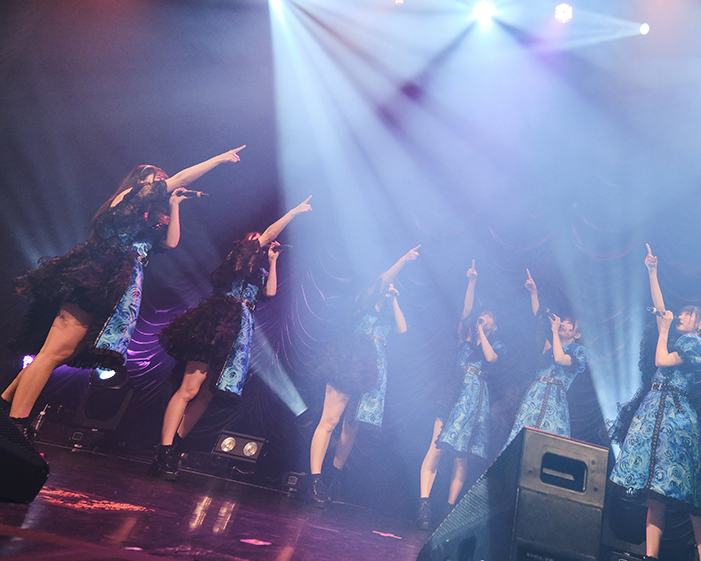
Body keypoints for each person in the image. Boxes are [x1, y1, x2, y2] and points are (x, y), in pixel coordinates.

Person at [2, 146, 245, 435]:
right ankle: (17, 423)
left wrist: (174, 205)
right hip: (98, 275)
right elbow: (181, 178)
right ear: (140, 180)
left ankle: (6, 403)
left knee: (63, 352)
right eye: (157, 178)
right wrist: (219, 159)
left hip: (118, 283)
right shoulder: (129, 197)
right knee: (55, 351)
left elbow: (169, 243)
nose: (162, 183)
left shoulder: (144, 216)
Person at [150, 196, 312, 479]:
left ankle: (175, 446)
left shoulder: (257, 271)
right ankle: (164, 449)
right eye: (257, 241)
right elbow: (268, 235)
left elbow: (270, 293)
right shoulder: (235, 260)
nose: (262, 243)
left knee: (208, 393)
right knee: (190, 388)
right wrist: (293, 213)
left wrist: (273, 261)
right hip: (218, 322)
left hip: (240, 329)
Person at [608, 244, 701, 561]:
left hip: (676, 417)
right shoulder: (676, 337)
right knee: (654, 493)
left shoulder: (696, 345)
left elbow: (662, 359)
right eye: (681, 312)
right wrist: (652, 271)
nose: (681, 315)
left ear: (700, 325)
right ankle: (650, 556)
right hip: (654, 410)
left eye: (688, 314)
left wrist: (666, 327)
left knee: (692, 494)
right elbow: (661, 312)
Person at [308, 245, 420, 506]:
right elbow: (381, 282)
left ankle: (333, 478)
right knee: (330, 420)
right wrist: (403, 259)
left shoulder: (388, 307)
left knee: (352, 426)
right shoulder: (365, 297)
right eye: (385, 282)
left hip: (373, 366)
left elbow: (403, 329)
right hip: (351, 358)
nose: (388, 284)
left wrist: (394, 300)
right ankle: (314, 480)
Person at [417, 260, 504, 529]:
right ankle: (424, 505)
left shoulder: (497, 343)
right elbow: (466, 312)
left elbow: (490, 357)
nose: (484, 317)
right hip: (453, 394)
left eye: (490, 316)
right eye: (483, 314)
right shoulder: (465, 335)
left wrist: (483, 333)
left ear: (495, 325)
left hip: (475, 401)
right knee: (436, 447)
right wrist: (472, 282)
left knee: (461, 456)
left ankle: (448, 511)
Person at [504, 269, 588, 448]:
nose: (564, 324)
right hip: (535, 395)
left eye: (569, 323)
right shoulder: (550, 343)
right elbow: (540, 318)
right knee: (522, 439)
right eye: (563, 321)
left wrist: (555, 331)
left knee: (547, 444)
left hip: (555, 401)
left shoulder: (579, 352)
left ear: (577, 333)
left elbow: (560, 358)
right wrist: (534, 293)